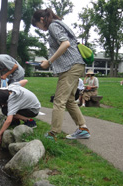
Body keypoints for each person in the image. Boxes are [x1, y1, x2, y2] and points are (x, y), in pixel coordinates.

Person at [32, 8, 90, 140]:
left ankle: (53, 133)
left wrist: (50, 61)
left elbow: (65, 44)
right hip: (76, 65)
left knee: (59, 100)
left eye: (38, 26)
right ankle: (83, 129)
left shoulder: (53, 25)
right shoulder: (59, 23)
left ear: (41, 19)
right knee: (69, 100)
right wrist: (49, 61)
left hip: (71, 67)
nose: (40, 29)